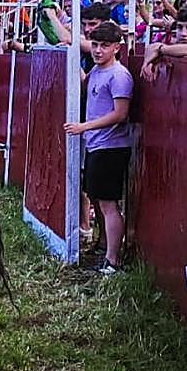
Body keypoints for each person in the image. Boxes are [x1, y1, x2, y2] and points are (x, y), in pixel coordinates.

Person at [65, 21, 134, 276]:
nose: (97, 50)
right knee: (98, 199)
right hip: (97, 144)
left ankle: (113, 260)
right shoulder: (97, 71)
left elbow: (120, 114)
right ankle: (105, 248)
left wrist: (85, 127)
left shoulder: (119, 75)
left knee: (108, 204)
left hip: (111, 145)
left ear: (116, 47)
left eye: (104, 46)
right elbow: (85, 88)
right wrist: (72, 59)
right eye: (94, 45)